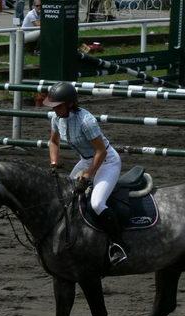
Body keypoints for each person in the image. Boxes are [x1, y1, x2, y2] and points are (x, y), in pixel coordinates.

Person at [43, 81, 127, 266]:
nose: (54, 109)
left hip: (107, 161)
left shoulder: (86, 121)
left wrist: (89, 174)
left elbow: (101, 151)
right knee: (65, 196)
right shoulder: (57, 118)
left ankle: (117, 244)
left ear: (70, 104)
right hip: (87, 159)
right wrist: (54, 163)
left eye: (58, 106)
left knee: (97, 203)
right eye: (53, 106)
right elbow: (53, 142)